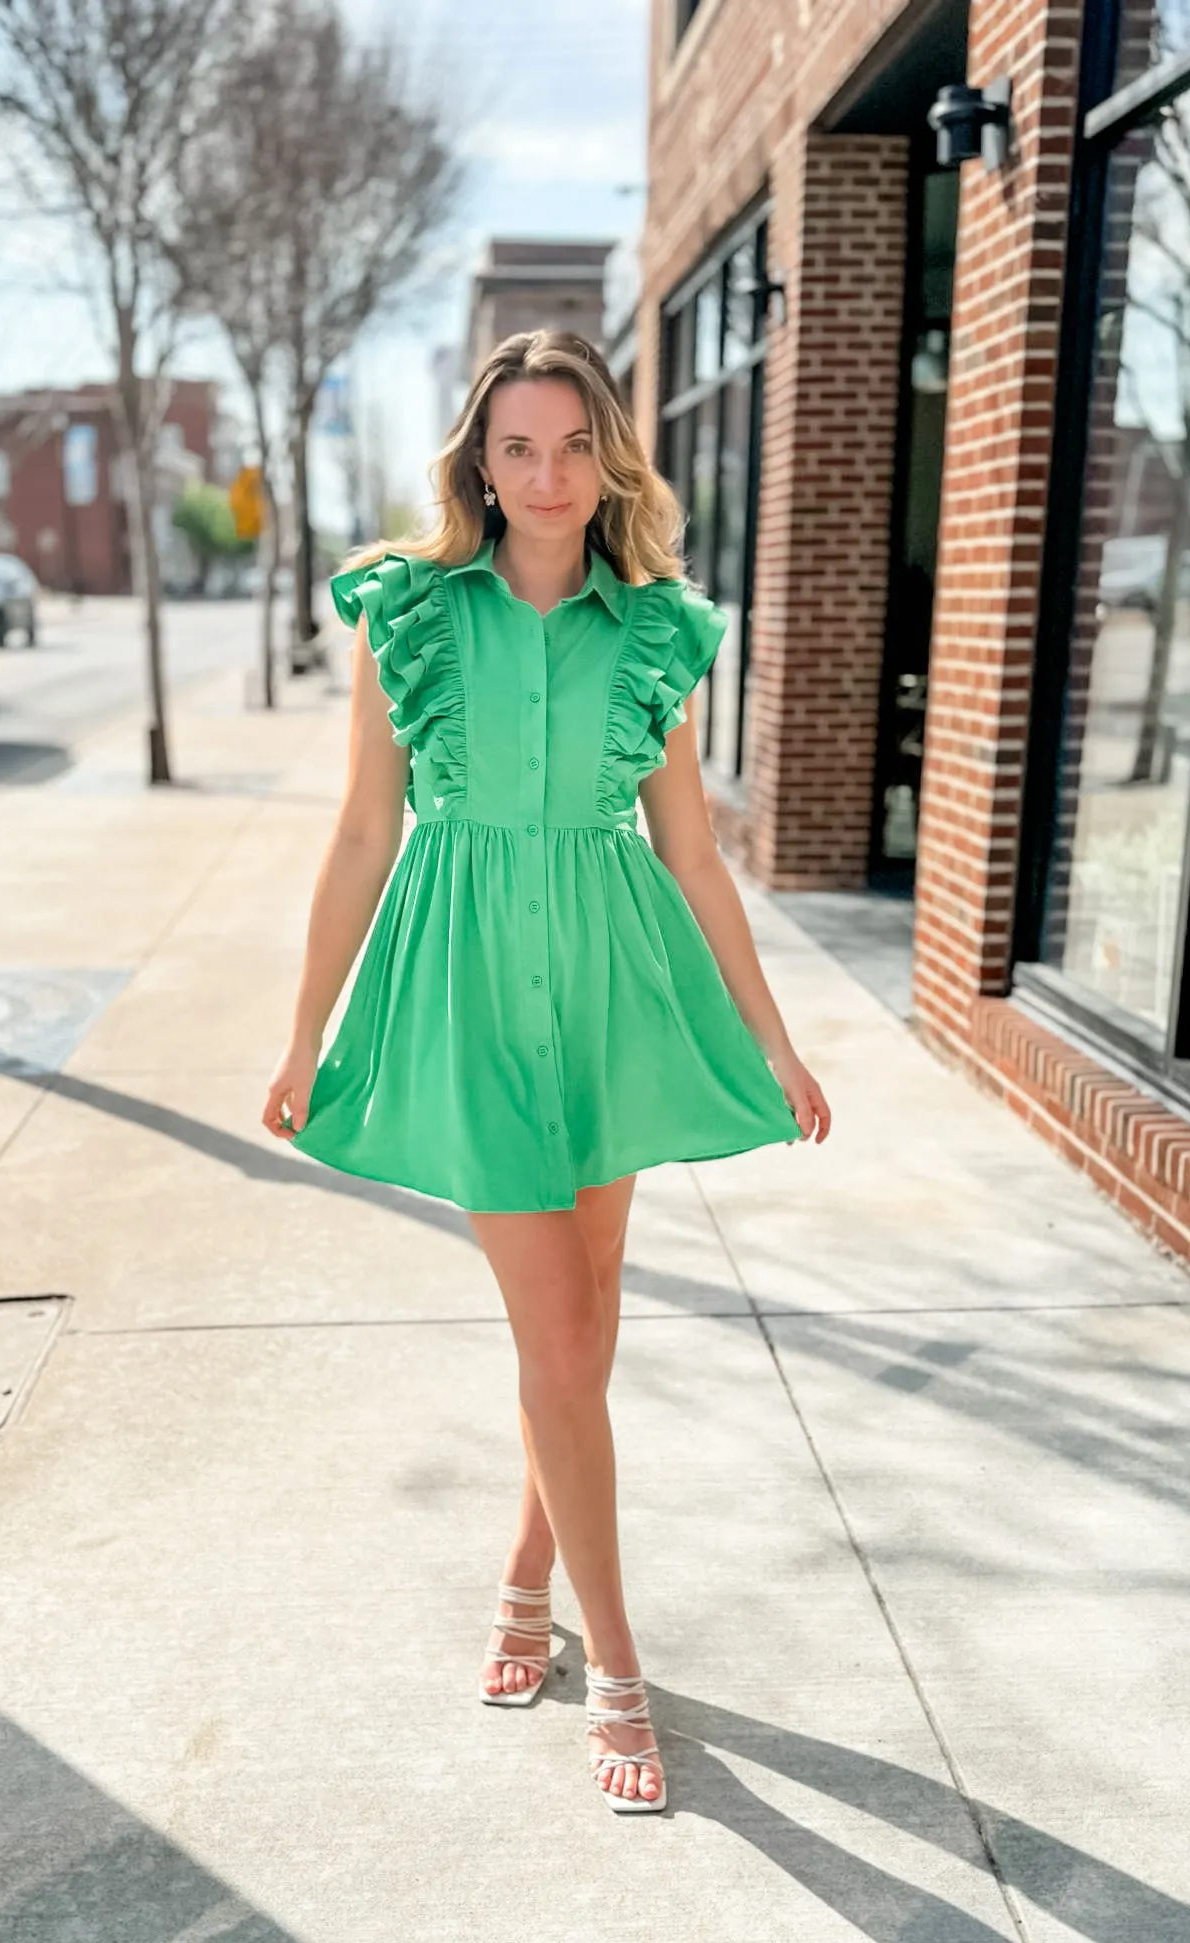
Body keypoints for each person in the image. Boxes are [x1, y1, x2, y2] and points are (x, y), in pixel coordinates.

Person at [264, 329, 830, 1815]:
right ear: (478, 461)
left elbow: (695, 854)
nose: (549, 475)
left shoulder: (654, 629)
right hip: (460, 993)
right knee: (565, 1343)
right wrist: (305, 1028)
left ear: (609, 457)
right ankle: (623, 1671)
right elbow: (361, 836)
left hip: (608, 993)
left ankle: (529, 1569)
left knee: (578, 1326)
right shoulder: (410, 618)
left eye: (575, 445)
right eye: (518, 447)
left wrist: (772, 1034)